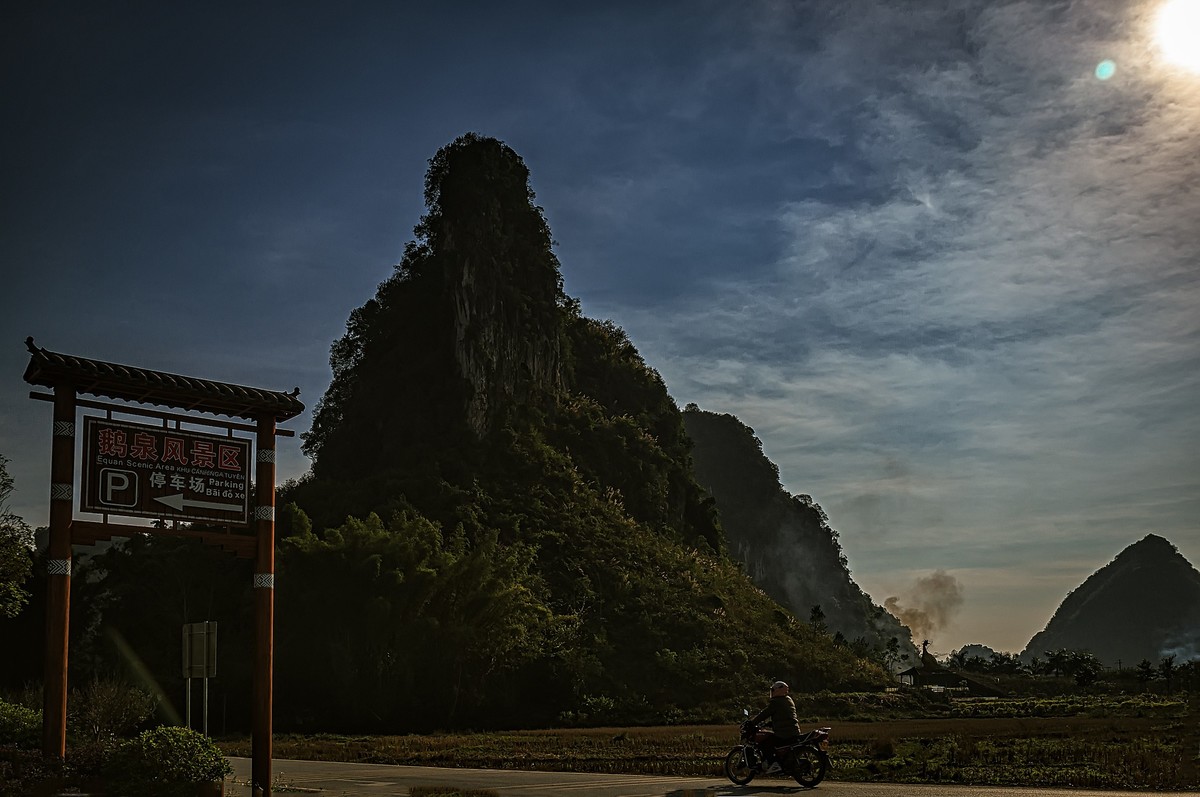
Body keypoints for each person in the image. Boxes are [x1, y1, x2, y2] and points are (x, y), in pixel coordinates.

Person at [750, 680, 801, 772]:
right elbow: (783, 716)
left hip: (784, 733)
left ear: (777, 690)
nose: (772, 692)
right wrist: (770, 723)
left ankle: (774, 764)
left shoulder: (776, 702)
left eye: (773, 690)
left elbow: (765, 713)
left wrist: (752, 722)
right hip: (794, 731)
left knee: (764, 743)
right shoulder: (788, 700)